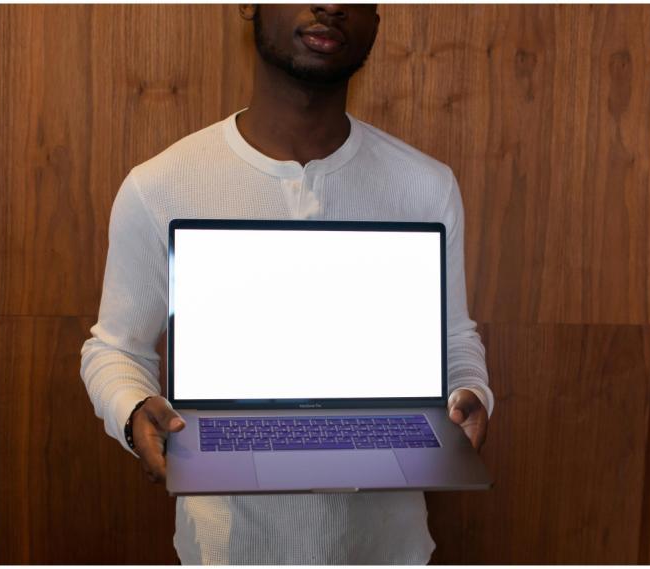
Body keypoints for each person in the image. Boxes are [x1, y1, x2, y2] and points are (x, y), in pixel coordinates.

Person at [80, 4, 493, 565]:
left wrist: (472, 391)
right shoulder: (162, 185)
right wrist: (132, 411)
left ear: (377, 15)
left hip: (386, 550)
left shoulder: (425, 186)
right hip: (225, 550)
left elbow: (455, 338)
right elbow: (115, 348)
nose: (330, 5)